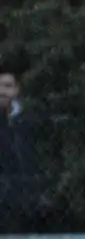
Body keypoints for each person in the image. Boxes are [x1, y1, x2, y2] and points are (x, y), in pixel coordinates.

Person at [0, 64, 39, 230]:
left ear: (17, 90)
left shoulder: (31, 119)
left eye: (7, 86)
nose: (2, 91)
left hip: (29, 198)